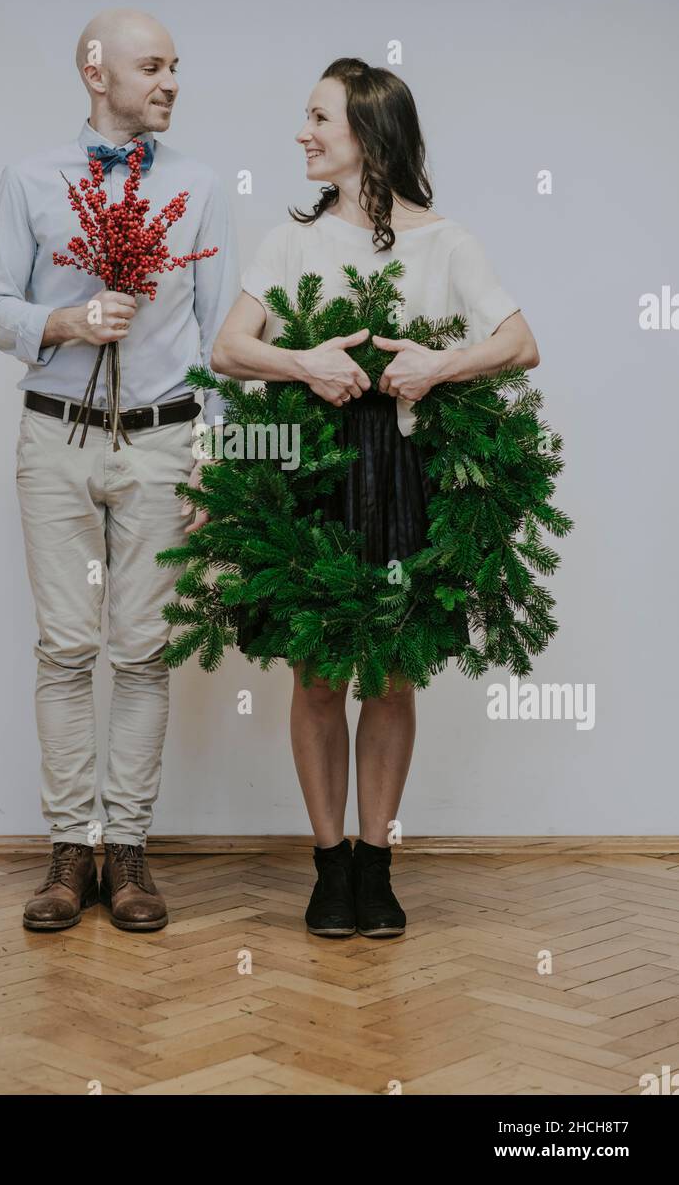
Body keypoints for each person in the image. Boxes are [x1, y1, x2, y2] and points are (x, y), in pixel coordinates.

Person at [211, 58, 539, 939]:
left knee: (391, 679)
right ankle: (328, 869)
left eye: (319, 118)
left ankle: (376, 865)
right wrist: (303, 362)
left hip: (406, 475)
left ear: (370, 132)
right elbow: (229, 349)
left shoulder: (446, 242)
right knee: (318, 678)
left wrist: (439, 363)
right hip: (312, 476)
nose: (302, 134)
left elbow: (519, 341)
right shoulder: (291, 243)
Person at [0, 8, 240, 933]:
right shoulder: (29, 180)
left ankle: (126, 851)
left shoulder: (200, 187)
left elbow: (222, 343)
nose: (170, 82)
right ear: (97, 72)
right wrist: (66, 322)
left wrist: (217, 457)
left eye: (176, 66)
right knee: (64, 648)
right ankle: (67, 853)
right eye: (153, 66)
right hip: (55, 436)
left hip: (165, 442)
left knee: (143, 649)